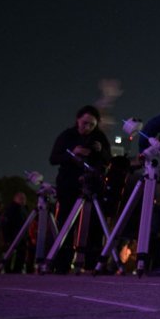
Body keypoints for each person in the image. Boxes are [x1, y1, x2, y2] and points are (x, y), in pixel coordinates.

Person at [49, 105, 112, 273]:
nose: (87, 128)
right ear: (77, 120)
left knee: (95, 226)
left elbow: (108, 159)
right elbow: (54, 158)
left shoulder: (99, 137)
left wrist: (101, 151)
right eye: (85, 123)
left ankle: (93, 264)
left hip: (93, 185)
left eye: (92, 125)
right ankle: (62, 264)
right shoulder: (67, 136)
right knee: (66, 224)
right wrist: (72, 153)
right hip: (69, 185)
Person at [1, 192, 29, 273]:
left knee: (19, 255)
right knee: (13, 255)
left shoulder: (21, 209)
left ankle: (16, 269)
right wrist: (7, 238)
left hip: (19, 237)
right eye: (22, 199)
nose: (24, 201)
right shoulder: (13, 209)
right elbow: (6, 224)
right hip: (14, 237)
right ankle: (10, 270)